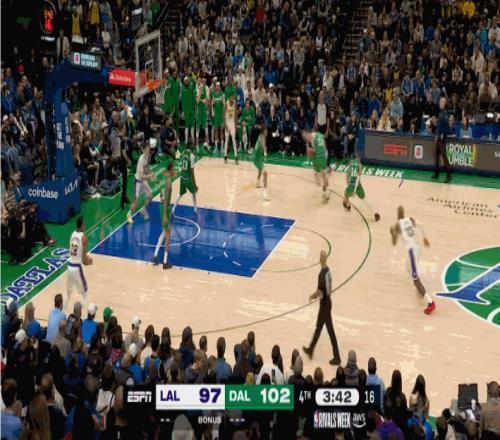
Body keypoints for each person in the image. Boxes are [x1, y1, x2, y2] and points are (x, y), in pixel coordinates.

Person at [390, 206, 436, 315]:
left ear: (397, 215)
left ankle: (430, 302)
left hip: (412, 252)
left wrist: (393, 233)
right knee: (407, 268)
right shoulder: (409, 219)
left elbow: (394, 242)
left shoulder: (397, 225)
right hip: (416, 248)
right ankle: (419, 288)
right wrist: (425, 238)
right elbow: (421, 225)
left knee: (415, 279)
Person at [302, 250, 341, 365]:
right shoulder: (328, 271)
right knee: (320, 328)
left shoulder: (321, 274)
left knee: (329, 331)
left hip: (324, 305)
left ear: (321, 259)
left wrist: (312, 296)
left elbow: (319, 291)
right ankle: (311, 349)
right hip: (327, 302)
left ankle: (337, 357)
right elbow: (330, 288)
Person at [64, 216, 92, 313]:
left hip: (69, 266)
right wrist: (89, 261)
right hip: (77, 268)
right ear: (82, 225)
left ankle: (63, 311)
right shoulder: (83, 238)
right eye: (84, 223)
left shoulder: (72, 234)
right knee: (85, 293)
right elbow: (84, 260)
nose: (85, 225)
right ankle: (84, 315)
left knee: (68, 293)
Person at [343, 152, 380, 221]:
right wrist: (354, 190)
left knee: (345, 193)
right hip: (357, 185)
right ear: (358, 158)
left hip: (351, 184)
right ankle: (375, 212)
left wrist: (348, 184)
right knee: (364, 200)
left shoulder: (350, 163)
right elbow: (357, 179)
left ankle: (347, 205)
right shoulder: (360, 165)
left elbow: (347, 175)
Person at [152, 161, 175, 270]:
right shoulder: (169, 183)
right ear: (170, 169)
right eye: (173, 168)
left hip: (161, 206)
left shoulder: (163, 178)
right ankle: (165, 262)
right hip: (165, 207)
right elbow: (166, 200)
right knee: (168, 234)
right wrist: (165, 215)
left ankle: (155, 256)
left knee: (164, 232)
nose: (174, 170)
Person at [302, 129, 330, 202]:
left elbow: (311, 151)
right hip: (323, 154)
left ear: (308, 133)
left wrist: (311, 152)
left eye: (305, 136)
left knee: (322, 175)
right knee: (321, 174)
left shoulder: (312, 137)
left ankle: (325, 191)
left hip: (321, 156)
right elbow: (323, 145)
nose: (305, 138)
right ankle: (325, 189)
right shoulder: (318, 135)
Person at [172, 142, 198, 215]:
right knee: (194, 192)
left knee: (180, 194)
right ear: (190, 145)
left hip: (182, 176)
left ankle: (173, 209)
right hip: (187, 178)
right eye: (193, 144)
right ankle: (195, 209)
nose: (194, 145)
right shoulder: (192, 156)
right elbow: (192, 172)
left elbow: (178, 157)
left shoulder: (183, 152)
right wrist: (195, 184)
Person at [432, 97, 451, 183]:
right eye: (439, 102)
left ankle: (448, 175)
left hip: (442, 138)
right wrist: (437, 135)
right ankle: (436, 173)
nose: (440, 103)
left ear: (444, 103)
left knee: (444, 156)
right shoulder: (440, 113)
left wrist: (442, 134)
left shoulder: (444, 113)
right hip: (439, 136)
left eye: (441, 102)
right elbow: (439, 126)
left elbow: (446, 125)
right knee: (436, 155)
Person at [253, 127, 270, 201]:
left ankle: (257, 183)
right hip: (256, 159)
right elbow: (263, 145)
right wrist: (265, 153)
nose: (267, 132)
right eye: (266, 131)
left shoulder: (261, 136)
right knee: (265, 174)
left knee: (260, 170)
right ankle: (265, 194)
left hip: (258, 158)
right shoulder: (262, 137)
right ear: (263, 132)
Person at [195, 76, 209, 151]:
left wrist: (205, 102)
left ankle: (207, 144)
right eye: (198, 80)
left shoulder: (204, 88)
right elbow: (197, 101)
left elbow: (206, 99)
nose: (200, 82)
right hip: (198, 111)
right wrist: (200, 92)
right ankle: (197, 145)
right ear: (197, 81)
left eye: (200, 80)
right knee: (197, 128)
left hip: (203, 110)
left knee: (206, 127)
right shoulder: (195, 89)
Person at [224, 94, 238, 164]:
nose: (232, 99)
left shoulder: (235, 104)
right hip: (227, 122)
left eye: (233, 98)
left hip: (232, 123)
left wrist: (236, 125)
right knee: (226, 139)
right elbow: (223, 115)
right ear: (229, 98)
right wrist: (225, 125)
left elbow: (236, 115)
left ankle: (236, 157)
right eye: (231, 98)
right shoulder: (226, 103)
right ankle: (225, 156)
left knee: (233, 140)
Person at [211, 81, 225, 154]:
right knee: (216, 131)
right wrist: (213, 113)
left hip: (221, 116)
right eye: (217, 86)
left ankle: (222, 148)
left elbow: (224, 105)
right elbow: (212, 105)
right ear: (215, 87)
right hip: (216, 116)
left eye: (219, 86)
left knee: (221, 131)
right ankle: (216, 148)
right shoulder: (213, 94)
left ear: (220, 87)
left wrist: (223, 116)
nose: (218, 87)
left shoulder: (222, 94)